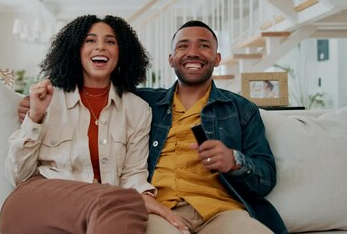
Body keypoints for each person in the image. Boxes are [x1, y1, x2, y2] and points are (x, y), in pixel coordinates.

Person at [17, 20, 287, 234]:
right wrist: (31, 109)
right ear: (171, 59)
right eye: (183, 46)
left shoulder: (241, 110)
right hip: (158, 209)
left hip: (221, 211)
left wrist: (234, 161)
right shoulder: (145, 103)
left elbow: (266, 178)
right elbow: (99, 87)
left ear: (217, 58)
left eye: (203, 46)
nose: (192, 52)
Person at [0, 14, 188, 234]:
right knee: (123, 203)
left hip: (101, 210)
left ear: (122, 53)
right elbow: (18, 176)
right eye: (90, 41)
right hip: (33, 202)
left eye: (110, 42)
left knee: (123, 207)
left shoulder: (137, 109)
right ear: (76, 50)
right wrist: (35, 116)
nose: (100, 47)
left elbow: (133, 174)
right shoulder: (49, 99)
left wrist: (145, 198)